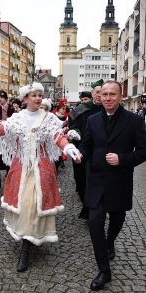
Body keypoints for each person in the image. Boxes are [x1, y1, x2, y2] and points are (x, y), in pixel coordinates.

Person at [0, 82, 81, 272]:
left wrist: (68, 147)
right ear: (25, 99)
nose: (38, 98)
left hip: (42, 169)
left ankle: (27, 245)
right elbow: (2, 129)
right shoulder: (17, 118)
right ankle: (26, 238)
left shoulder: (48, 118)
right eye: (34, 95)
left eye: (40, 95)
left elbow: (57, 136)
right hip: (21, 169)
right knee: (24, 204)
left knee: (35, 204)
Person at [76, 80, 146, 291]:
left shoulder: (134, 120)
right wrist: (80, 155)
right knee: (95, 222)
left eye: (112, 94)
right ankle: (104, 271)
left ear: (120, 96)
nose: (107, 98)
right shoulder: (94, 120)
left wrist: (122, 159)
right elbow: (87, 145)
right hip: (96, 179)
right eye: (104, 94)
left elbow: (143, 150)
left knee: (117, 218)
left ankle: (110, 242)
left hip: (119, 179)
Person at [68, 79, 103, 218]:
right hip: (84, 150)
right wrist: (75, 133)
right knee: (83, 180)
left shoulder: (109, 108)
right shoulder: (82, 110)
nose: (100, 95)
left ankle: (97, 209)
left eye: (103, 92)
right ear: (92, 93)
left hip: (102, 151)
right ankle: (87, 206)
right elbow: (74, 125)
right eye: (98, 92)